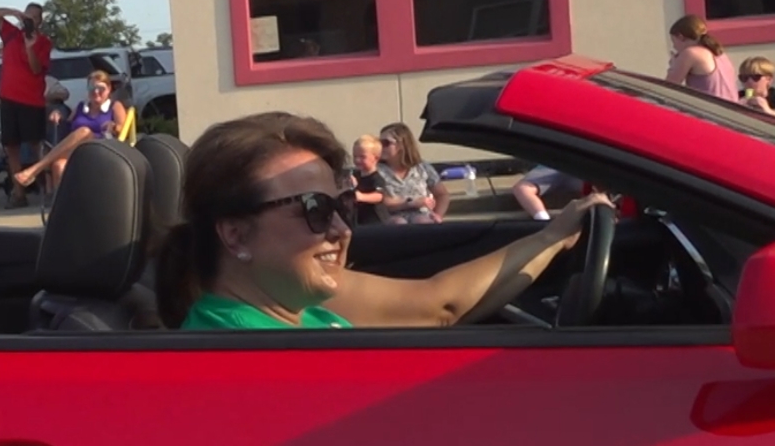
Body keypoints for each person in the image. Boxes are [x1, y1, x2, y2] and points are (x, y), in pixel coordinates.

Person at [153, 112, 611, 330]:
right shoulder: (250, 355)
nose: (341, 230)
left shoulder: (293, 303)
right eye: (314, 209)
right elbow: (441, 307)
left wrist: (554, 234)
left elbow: (440, 303)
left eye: (344, 206)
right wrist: (553, 236)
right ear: (235, 234)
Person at [11, 70, 124, 195]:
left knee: (84, 131)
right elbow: (67, 125)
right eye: (92, 87)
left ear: (109, 89)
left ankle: (36, 168)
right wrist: (58, 115)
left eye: (100, 88)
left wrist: (113, 126)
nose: (96, 91)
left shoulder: (115, 106)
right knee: (59, 166)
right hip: (77, 153)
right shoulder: (81, 107)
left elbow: (122, 129)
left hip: (101, 151)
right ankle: (63, 208)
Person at [0, 3, 52, 207]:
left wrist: (30, 47)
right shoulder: (11, 34)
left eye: (34, 18)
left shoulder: (43, 42)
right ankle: (19, 194)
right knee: (12, 148)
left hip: (31, 100)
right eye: (28, 16)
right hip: (9, 99)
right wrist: (15, 13)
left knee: (37, 146)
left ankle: (48, 189)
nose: (30, 20)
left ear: (40, 21)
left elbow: (36, 69)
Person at [666, 13, 739, 103]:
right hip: (732, 111)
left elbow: (669, 87)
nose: (674, 47)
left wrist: (673, 66)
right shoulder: (720, 54)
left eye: (674, 42)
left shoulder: (690, 53)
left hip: (709, 111)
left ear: (681, 37)